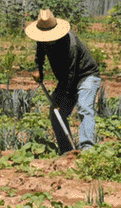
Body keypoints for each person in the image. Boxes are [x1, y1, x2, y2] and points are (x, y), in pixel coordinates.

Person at [24, 9, 101, 154]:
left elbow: (71, 74)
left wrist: (62, 99)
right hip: (67, 78)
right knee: (55, 113)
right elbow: (39, 53)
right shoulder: (43, 38)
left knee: (84, 108)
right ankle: (67, 152)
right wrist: (37, 68)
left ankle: (87, 150)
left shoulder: (70, 43)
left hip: (86, 75)